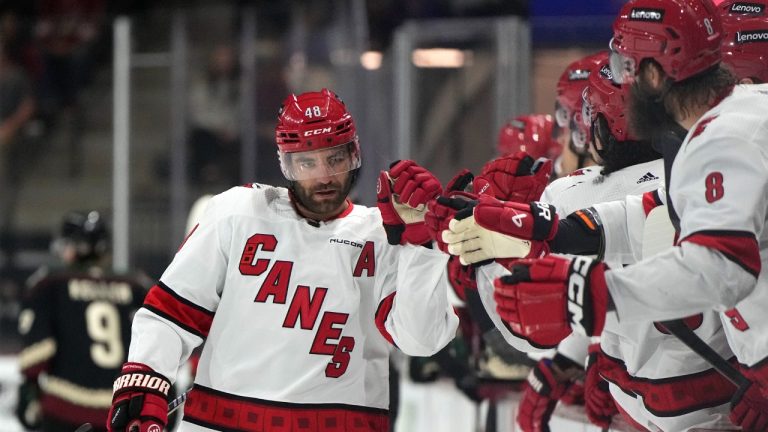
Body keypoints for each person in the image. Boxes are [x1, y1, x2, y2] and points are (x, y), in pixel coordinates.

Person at [445, 0, 768, 430]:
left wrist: (590, 294)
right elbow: (659, 215)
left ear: (654, 74)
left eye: (624, 66)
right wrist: (554, 228)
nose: (621, 83)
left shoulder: (723, 137)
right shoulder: (723, 122)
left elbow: (721, 266)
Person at [106, 88, 458, 432]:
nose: (323, 176)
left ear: (354, 155)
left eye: (334, 158)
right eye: (307, 162)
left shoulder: (383, 234)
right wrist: (145, 381)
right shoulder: (237, 214)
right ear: (286, 164)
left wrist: (419, 244)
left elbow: (421, 340)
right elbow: (172, 312)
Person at [16, 211, 150, 432]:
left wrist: (30, 391)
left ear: (79, 246)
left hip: (64, 411)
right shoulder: (137, 285)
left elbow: (36, 355)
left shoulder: (50, 284)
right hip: (121, 413)